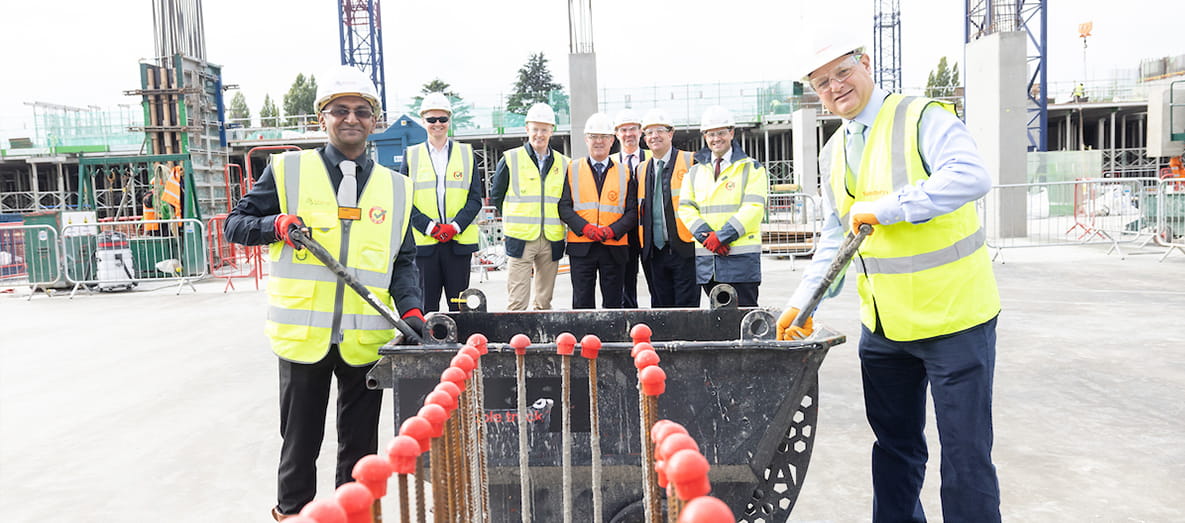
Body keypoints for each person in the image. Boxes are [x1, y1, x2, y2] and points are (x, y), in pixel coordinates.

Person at [776, 33, 1002, 522]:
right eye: (821, 83)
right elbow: (836, 235)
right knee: (895, 450)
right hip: (884, 328)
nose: (835, 87)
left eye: (842, 72)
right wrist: (804, 301)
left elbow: (971, 176)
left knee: (965, 455)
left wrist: (890, 208)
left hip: (955, 322)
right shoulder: (834, 152)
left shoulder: (921, 117)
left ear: (865, 63)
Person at [223, 66, 425, 521]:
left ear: (374, 121)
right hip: (303, 336)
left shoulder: (397, 187)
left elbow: (403, 260)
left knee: (359, 449)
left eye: (362, 111)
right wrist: (275, 224)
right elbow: (236, 224)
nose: (351, 118)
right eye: (340, 110)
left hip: (366, 339)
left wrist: (412, 310)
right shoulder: (288, 171)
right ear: (322, 118)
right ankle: (293, 514)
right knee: (300, 444)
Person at [677, 106, 767, 307]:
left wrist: (722, 237)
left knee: (743, 316)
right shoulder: (694, 172)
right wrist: (707, 237)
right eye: (711, 134)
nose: (716, 138)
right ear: (704, 136)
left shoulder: (751, 168)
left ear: (731, 133)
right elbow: (685, 208)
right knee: (716, 319)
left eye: (721, 133)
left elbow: (753, 207)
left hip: (741, 260)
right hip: (708, 263)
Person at [400, 92, 483, 312]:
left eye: (442, 119)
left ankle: (460, 338)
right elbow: (403, 200)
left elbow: (475, 199)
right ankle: (431, 337)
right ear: (423, 121)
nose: (437, 124)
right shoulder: (411, 155)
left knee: (460, 307)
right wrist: (431, 227)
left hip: (458, 244)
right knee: (428, 308)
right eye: (432, 119)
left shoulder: (466, 154)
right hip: (425, 245)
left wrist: (454, 227)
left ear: (449, 120)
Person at [489, 102, 570, 310]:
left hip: (551, 238)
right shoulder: (511, 159)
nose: (539, 134)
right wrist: (512, 217)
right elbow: (497, 195)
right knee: (517, 301)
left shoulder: (564, 163)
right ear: (527, 129)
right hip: (520, 238)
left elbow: (566, 200)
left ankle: (540, 331)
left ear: (552, 130)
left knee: (544, 302)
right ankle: (516, 332)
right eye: (535, 129)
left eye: (544, 129)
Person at [559, 112, 638, 309]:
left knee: (614, 303)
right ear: (586, 139)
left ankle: (611, 331)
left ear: (612, 140)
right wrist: (584, 228)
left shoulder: (625, 172)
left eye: (604, 137)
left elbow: (632, 212)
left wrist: (612, 231)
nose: (599, 141)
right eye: (594, 136)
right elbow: (564, 206)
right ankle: (584, 331)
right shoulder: (572, 169)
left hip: (614, 246)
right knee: (582, 302)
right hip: (581, 247)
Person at [636, 109, 699, 307]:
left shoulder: (691, 161)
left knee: (686, 309)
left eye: (659, 131)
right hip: (654, 252)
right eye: (649, 132)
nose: (654, 136)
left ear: (671, 134)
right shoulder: (641, 169)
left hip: (684, 248)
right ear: (645, 138)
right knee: (660, 309)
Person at [613, 109, 650, 308]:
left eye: (633, 129)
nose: (628, 134)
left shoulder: (652, 157)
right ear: (616, 134)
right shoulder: (610, 162)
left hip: (649, 230)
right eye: (623, 130)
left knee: (656, 278)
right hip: (623, 231)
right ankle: (630, 317)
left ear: (640, 131)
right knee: (625, 281)